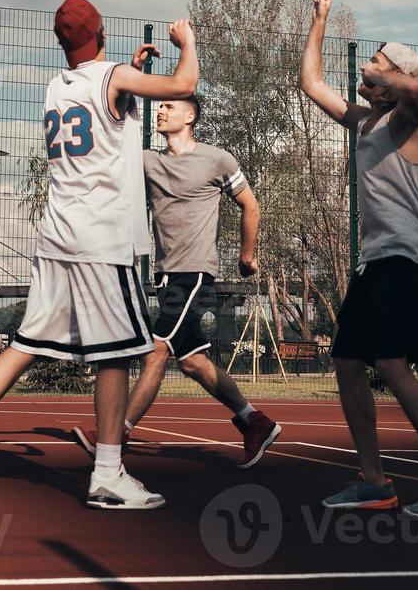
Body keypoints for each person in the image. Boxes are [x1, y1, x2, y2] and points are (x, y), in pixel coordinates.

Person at [0, 0, 199, 510]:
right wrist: (188, 44)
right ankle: (108, 473)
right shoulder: (111, 77)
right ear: (100, 30)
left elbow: (105, 111)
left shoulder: (57, 87)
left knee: (27, 341)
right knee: (116, 354)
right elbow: (184, 86)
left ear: (61, 40)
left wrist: (132, 74)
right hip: (100, 237)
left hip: (57, 235)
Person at [299, 0, 418, 519]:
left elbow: (415, 94)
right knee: (348, 363)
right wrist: (322, 18)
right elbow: (310, 82)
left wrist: (391, 74)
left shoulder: (410, 121)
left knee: (392, 365)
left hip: (406, 258)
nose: (365, 72)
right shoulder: (364, 120)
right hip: (374, 261)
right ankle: (374, 481)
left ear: (396, 76)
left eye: (375, 64)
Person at [70, 95, 281, 468]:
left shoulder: (218, 159)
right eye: (160, 106)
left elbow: (251, 203)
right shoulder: (149, 162)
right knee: (193, 363)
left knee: (156, 348)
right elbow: (112, 152)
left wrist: (246, 255)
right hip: (166, 276)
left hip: (195, 273)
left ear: (190, 115)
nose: (162, 111)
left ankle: (115, 434)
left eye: (170, 106)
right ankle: (254, 422)